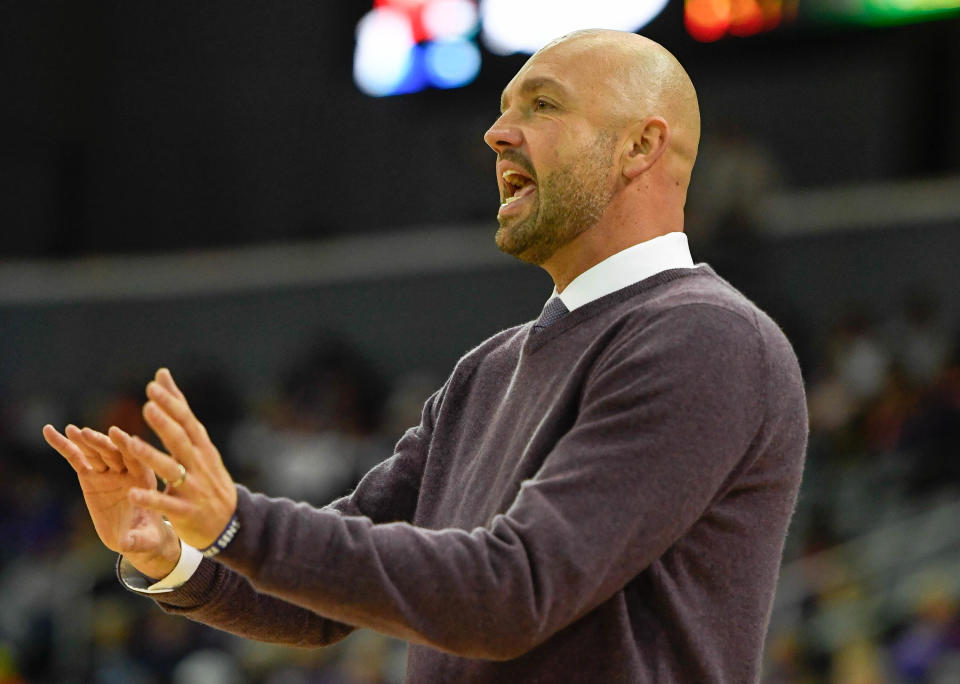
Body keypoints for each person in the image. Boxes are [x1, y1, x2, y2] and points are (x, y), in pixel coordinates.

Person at [42, 29, 807, 683]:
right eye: (503, 109)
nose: (497, 133)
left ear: (642, 145)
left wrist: (240, 520)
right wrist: (174, 546)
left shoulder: (704, 338)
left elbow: (515, 592)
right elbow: (317, 597)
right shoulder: (489, 370)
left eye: (541, 104)